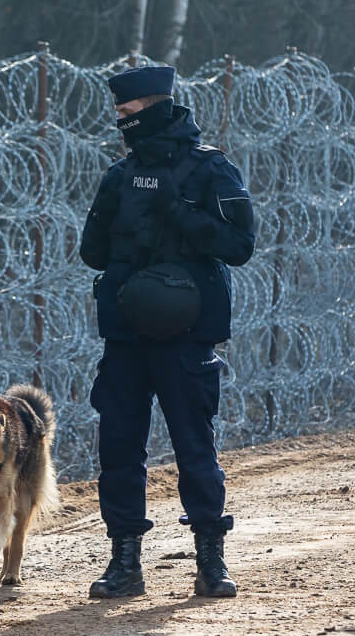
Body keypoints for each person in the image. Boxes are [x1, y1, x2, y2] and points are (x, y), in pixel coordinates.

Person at [78, 63, 255, 599]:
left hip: (186, 337)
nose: (121, 121)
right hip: (127, 336)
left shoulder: (210, 169)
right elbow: (92, 252)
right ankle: (124, 562)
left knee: (194, 447)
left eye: (128, 112)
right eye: (117, 113)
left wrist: (176, 213)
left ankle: (210, 560)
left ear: (155, 107)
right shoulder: (119, 176)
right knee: (119, 448)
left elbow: (239, 246)